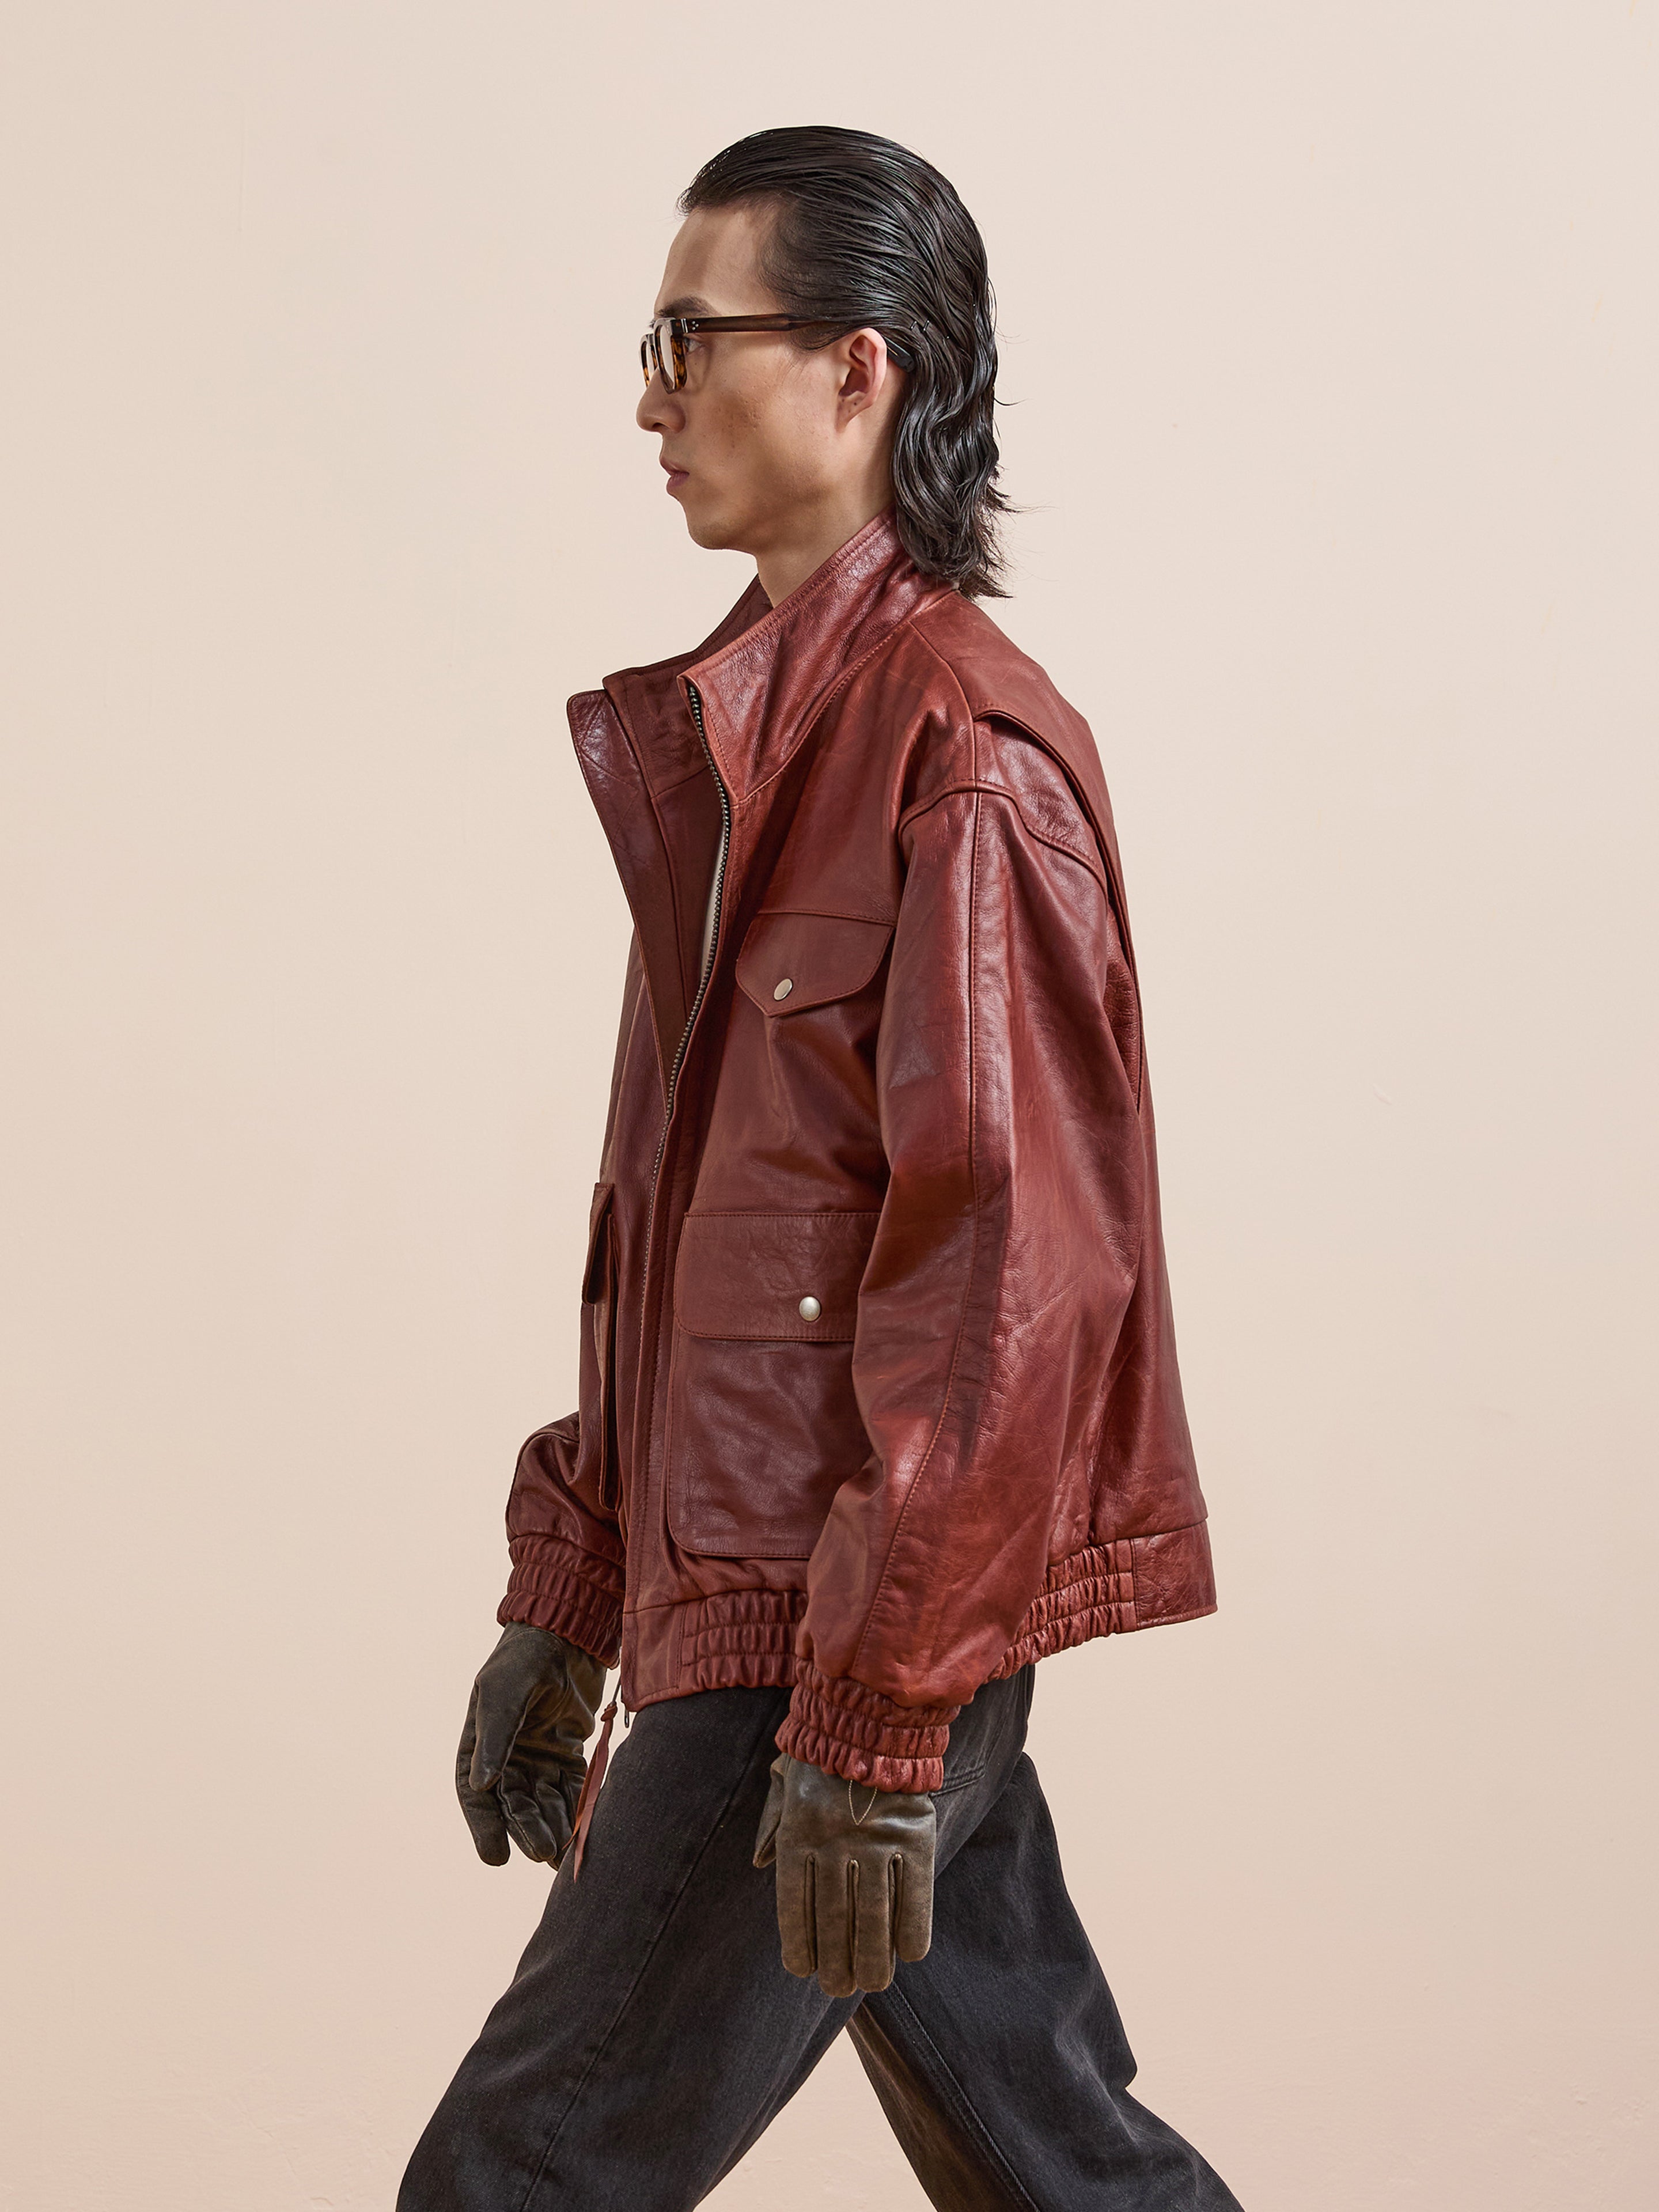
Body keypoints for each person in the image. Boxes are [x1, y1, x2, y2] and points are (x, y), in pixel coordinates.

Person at [399, 125, 1241, 2212]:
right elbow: (674, 1241)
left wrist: (875, 1716)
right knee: (1064, 2171)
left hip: (832, 1635)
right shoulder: (743, 748)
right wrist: (577, 1588)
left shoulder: (964, 761)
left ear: (857, 374)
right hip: (779, 1608)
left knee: (517, 2179)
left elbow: (1005, 1286)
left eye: (695, 340)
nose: (649, 397)